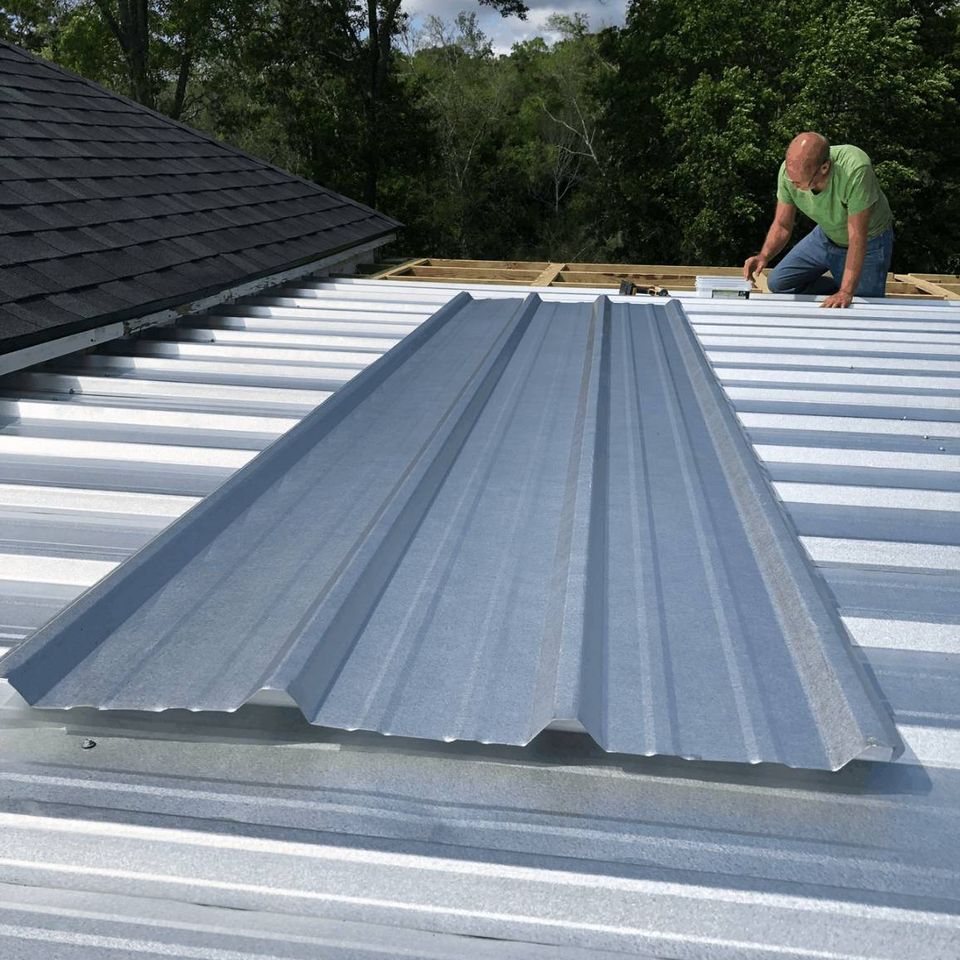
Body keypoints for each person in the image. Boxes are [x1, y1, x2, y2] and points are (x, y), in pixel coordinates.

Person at [743, 132, 894, 308]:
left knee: (863, 305)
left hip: (869, 242)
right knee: (779, 284)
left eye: (799, 182)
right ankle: (840, 283)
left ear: (824, 167)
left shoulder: (855, 169)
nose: (793, 185)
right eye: (791, 179)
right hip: (826, 235)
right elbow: (782, 225)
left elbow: (857, 237)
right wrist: (764, 255)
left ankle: (846, 284)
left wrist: (846, 292)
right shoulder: (789, 172)